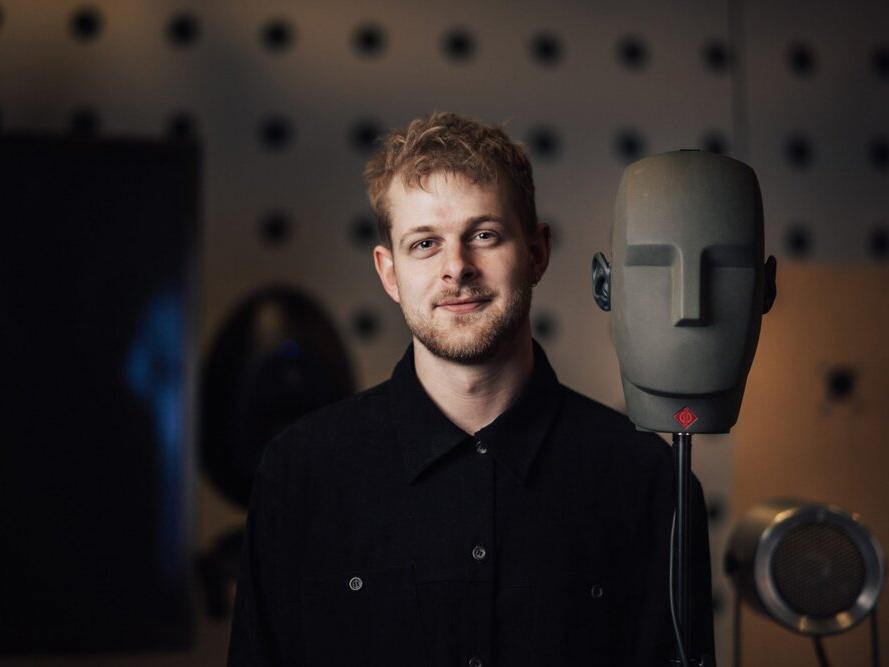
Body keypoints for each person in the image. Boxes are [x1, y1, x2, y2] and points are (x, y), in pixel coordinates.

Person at [227, 111, 715, 666]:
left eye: (484, 235)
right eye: (424, 244)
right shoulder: (299, 474)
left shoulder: (647, 483)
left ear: (536, 253)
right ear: (389, 273)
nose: (456, 268)